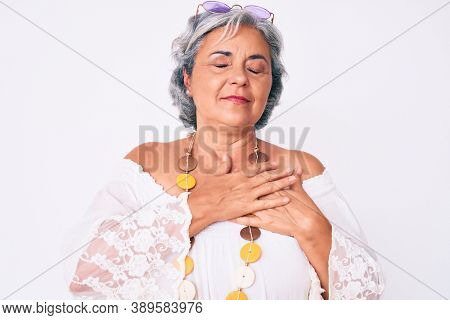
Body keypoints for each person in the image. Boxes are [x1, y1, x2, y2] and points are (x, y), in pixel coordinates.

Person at [61, 3, 385, 300]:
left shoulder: (302, 170)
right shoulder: (145, 165)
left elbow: (368, 297)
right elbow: (82, 272)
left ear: (270, 86)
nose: (239, 78)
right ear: (187, 79)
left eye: (256, 69)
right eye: (221, 63)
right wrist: (205, 206)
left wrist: (313, 230)